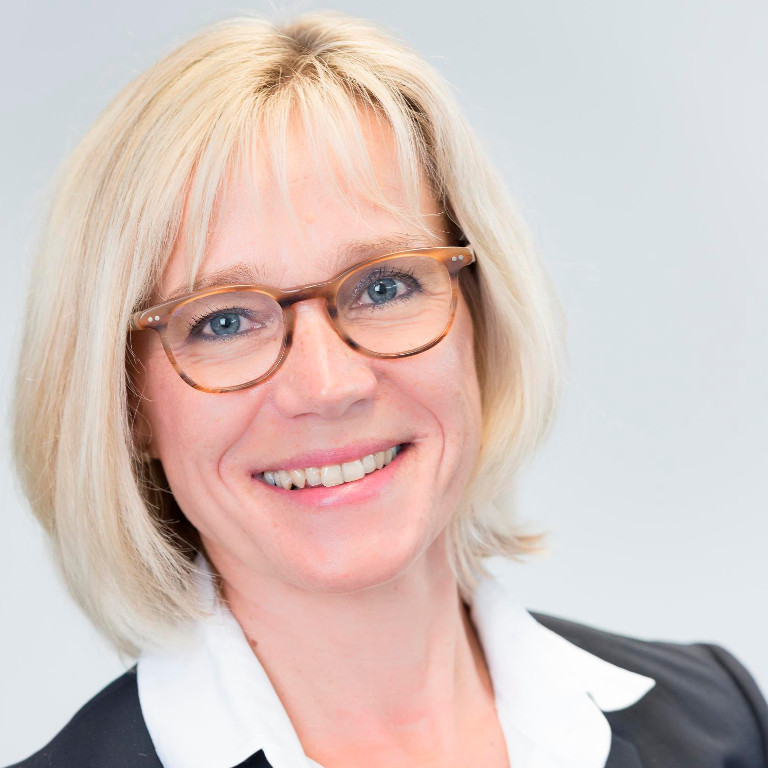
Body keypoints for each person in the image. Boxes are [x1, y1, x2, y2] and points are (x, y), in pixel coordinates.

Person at [7, 11, 767, 768]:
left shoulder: (722, 725)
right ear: (126, 404)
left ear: (480, 317)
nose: (328, 385)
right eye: (224, 321)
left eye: (384, 285)